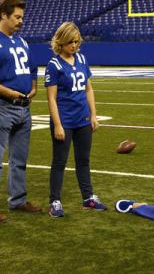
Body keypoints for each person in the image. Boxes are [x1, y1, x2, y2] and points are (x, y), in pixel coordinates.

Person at [0, 0, 42, 223]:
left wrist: (32, 88)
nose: (21, 21)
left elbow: (33, 69)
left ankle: (18, 200)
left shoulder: (21, 42)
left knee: (19, 158)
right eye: (17, 16)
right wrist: (11, 93)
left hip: (24, 108)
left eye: (22, 17)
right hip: (2, 107)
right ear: (4, 15)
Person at [44, 22, 107, 217]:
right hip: (65, 121)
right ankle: (54, 202)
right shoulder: (54, 65)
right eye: (70, 42)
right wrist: (58, 125)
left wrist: (93, 115)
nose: (74, 45)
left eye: (76, 41)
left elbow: (88, 89)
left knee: (83, 160)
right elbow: (51, 99)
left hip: (82, 120)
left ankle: (88, 198)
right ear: (61, 42)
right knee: (59, 162)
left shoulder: (81, 58)